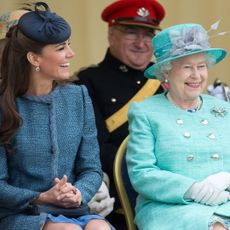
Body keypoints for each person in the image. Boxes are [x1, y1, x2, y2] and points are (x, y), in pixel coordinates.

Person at [0, 2, 114, 230]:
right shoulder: (4, 104)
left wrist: (78, 192)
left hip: (74, 209)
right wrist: (41, 197)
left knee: (98, 228)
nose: (71, 54)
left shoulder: (78, 96)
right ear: (34, 59)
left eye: (68, 45)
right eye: (61, 48)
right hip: (21, 213)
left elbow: (91, 168)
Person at [126, 22, 230, 230]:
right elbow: (142, 173)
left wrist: (227, 179)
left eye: (201, 66)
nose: (196, 75)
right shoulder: (145, 112)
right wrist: (192, 189)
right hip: (169, 207)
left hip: (224, 200)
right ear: (166, 72)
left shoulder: (223, 108)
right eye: (187, 67)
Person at [74, 0, 165, 227]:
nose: (141, 43)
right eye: (131, 33)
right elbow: (96, 146)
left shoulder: (167, 80)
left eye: (148, 35)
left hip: (169, 188)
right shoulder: (87, 82)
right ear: (111, 34)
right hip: (120, 198)